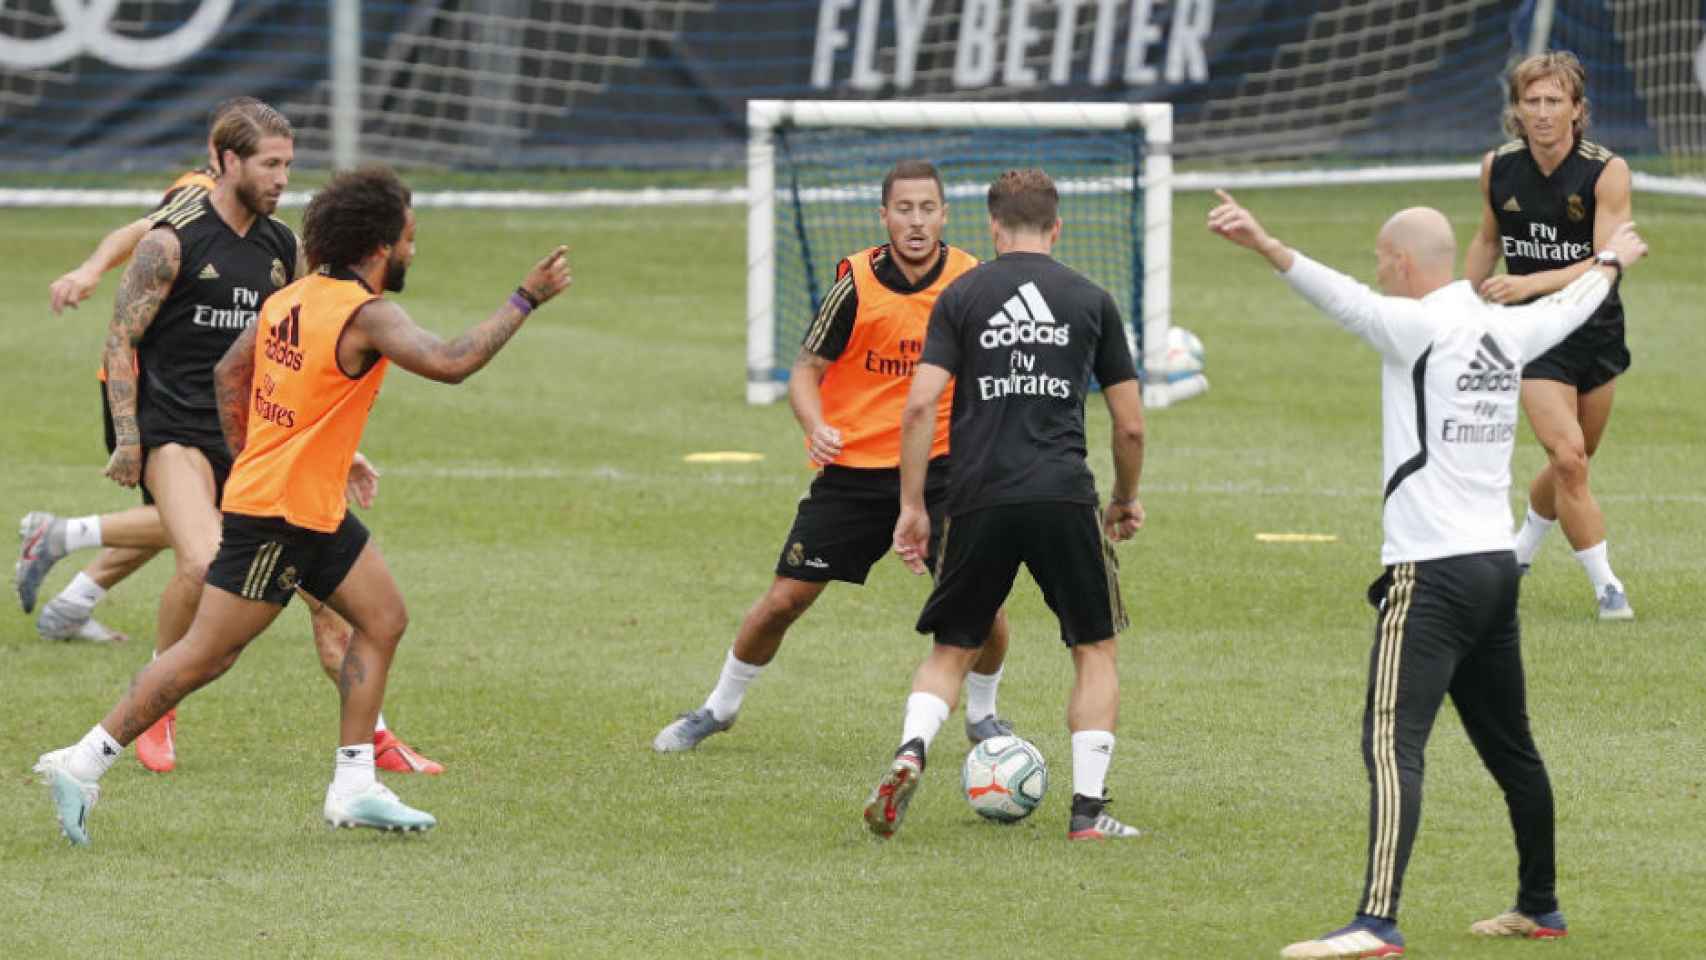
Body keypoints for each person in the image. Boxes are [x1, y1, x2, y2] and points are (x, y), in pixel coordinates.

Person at [34, 164, 574, 844]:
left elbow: (233, 370)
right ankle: (82, 763)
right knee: (205, 655)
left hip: (310, 506)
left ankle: (353, 786)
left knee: (383, 618)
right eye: (409, 237)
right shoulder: (368, 312)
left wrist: (277, 449)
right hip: (280, 517)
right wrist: (525, 298)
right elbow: (450, 361)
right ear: (379, 245)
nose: (413, 249)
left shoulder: (295, 297)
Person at [1203, 190, 1646, 957]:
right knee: (1513, 749)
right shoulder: (1507, 329)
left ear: (1403, 264)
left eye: (1381, 260)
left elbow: (1338, 299)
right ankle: (1539, 907)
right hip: (1494, 568)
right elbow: (1575, 306)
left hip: (1432, 575)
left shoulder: (1412, 326)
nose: (1377, 273)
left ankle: (1376, 922)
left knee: (1390, 740)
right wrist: (1611, 261)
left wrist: (1266, 243)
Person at [44, 98, 438, 776]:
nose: (284, 178)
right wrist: (130, 439)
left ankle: (371, 736)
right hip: (174, 431)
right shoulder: (172, 240)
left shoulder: (283, 247)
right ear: (225, 161)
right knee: (200, 562)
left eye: (288, 164)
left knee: (331, 604)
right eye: (269, 164)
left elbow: (303, 348)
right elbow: (121, 337)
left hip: (256, 434)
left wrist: (334, 446)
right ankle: (156, 706)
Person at [652, 160, 1014, 753]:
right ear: (885, 216)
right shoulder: (857, 283)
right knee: (783, 600)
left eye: (928, 208)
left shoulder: (972, 281)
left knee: (982, 604)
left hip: (949, 469)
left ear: (945, 215)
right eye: (904, 209)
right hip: (855, 474)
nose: (916, 222)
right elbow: (804, 372)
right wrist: (816, 424)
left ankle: (983, 716)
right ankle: (717, 708)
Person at [862, 168, 1147, 842]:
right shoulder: (1091, 299)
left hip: (977, 493)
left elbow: (922, 405)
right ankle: (1087, 813)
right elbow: (1130, 423)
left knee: (953, 646)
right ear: (1057, 226)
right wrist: (1126, 499)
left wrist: (912, 506)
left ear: (991, 226)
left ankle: (910, 752)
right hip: (1061, 492)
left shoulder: (961, 295)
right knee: (1094, 648)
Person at [1464, 50, 1635, 620]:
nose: (1540, 112)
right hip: (1532, 333)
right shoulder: (1498, 167)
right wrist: (1460, 305)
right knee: (1567, 459)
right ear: (1517, 109)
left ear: (1577, 109)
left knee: (1576, 458)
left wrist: (1532, 279)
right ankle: (1608, 587)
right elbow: (1489, 241)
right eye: (1530, 101)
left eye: (1553, 101)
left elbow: (1605, 259)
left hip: (1595, 328)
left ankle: (1519, 551)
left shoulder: (1607, 171)